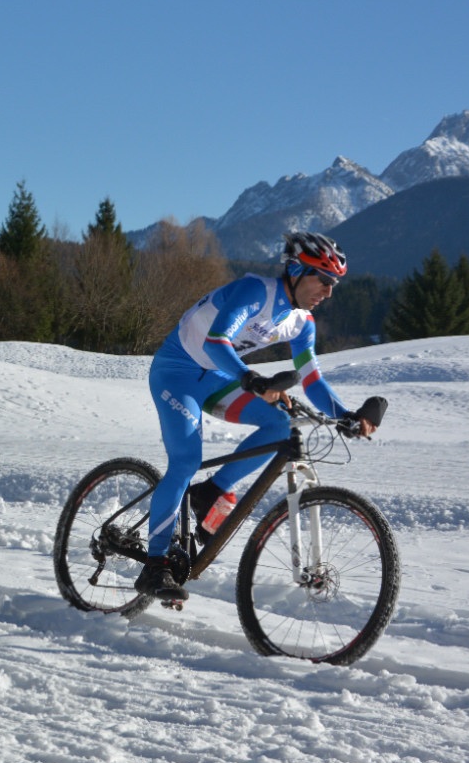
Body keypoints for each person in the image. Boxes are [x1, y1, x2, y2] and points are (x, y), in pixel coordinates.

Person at [135, 232, 385, 601]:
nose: (329, 292)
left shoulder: (303, 323)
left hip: (217, 378)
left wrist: (345, 415)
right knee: (186, 461)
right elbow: (215, 342)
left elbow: (312, 379)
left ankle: (212, 492)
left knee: (279, 424)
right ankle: (154, 567)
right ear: (297, 270)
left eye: (335, 284)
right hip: (177, 372)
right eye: (324, 279)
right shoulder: (255, 292)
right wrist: (251, 379)